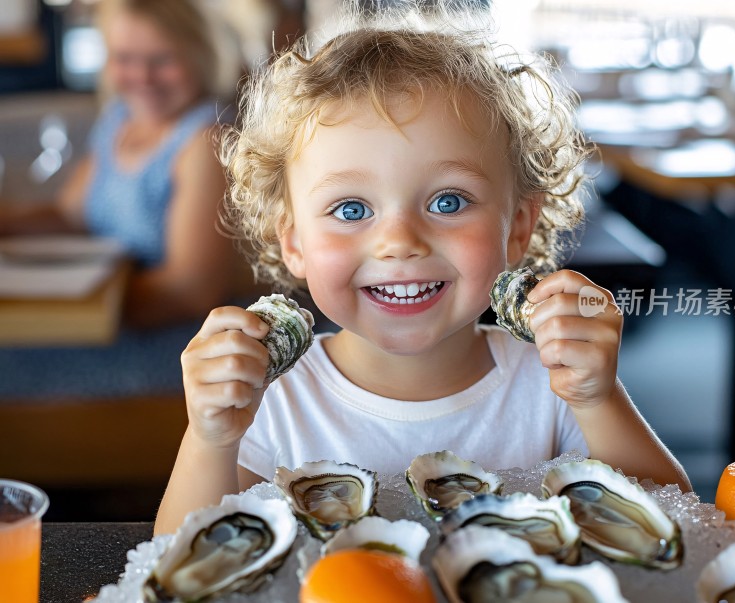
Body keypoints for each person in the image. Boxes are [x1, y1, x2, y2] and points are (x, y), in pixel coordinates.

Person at [155, 1, 691, 534]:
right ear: (294, 243)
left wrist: (599, 397)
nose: (399, 242)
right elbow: (175, 558)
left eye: (448, 202)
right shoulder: (273, 396)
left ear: (519, 227)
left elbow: (678, 525)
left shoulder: (552, 382)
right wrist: (210, 438)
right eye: (351, 209)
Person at [0, 0, 248, 400]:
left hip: (176, 349)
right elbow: (70, 215)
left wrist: (71, 308)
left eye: (161, 59)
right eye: (125, 58)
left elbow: (192, 290)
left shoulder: (205, 142)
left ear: (200, 55)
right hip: (110, 323)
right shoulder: (120, 119)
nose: (142, 76)